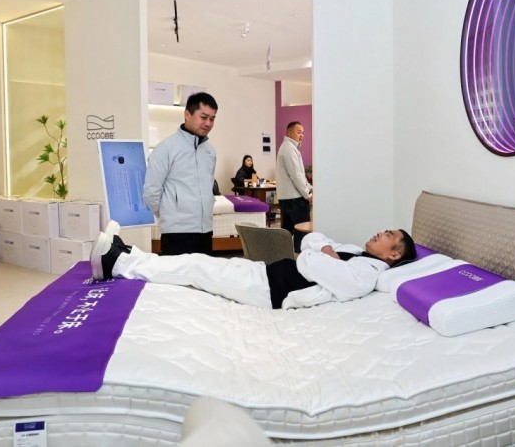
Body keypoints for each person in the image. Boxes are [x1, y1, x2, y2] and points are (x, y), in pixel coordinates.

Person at [90, 221, 417, 310]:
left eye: (389, 235)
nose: (380, 233)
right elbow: (310, 240)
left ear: (392, 255)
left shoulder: (366, 275)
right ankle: (129, 255)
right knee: (198, 263)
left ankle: (117, 262)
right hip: (267, 274)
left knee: (196, 268)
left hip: (271, 291)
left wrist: (321, 254)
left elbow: (307, 259)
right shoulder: (356, 253)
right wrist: (326, 250)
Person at [143, 92, 218, 256]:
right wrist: (170, 214)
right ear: (187, 114)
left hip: (206, 231)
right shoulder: (165, 149)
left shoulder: (210, 152)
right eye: (203, 117)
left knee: (204, 273)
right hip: (176, 234)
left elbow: (208, 188)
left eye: (212, 119)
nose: (208, 123)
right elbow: (151, 192)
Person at [276, 121, 312, 252]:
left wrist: (310, 188)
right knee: (302, 233)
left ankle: (288, 258)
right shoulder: (289, 149)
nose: (302, 135)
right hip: (295, 199)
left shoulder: (288, 147)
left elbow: (299, 175)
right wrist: (307, 194)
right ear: (290, 133)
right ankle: (300, 259)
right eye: (299, 132)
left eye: (303, 133)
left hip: (287, 198)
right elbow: (296, 176)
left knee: (288, 233)